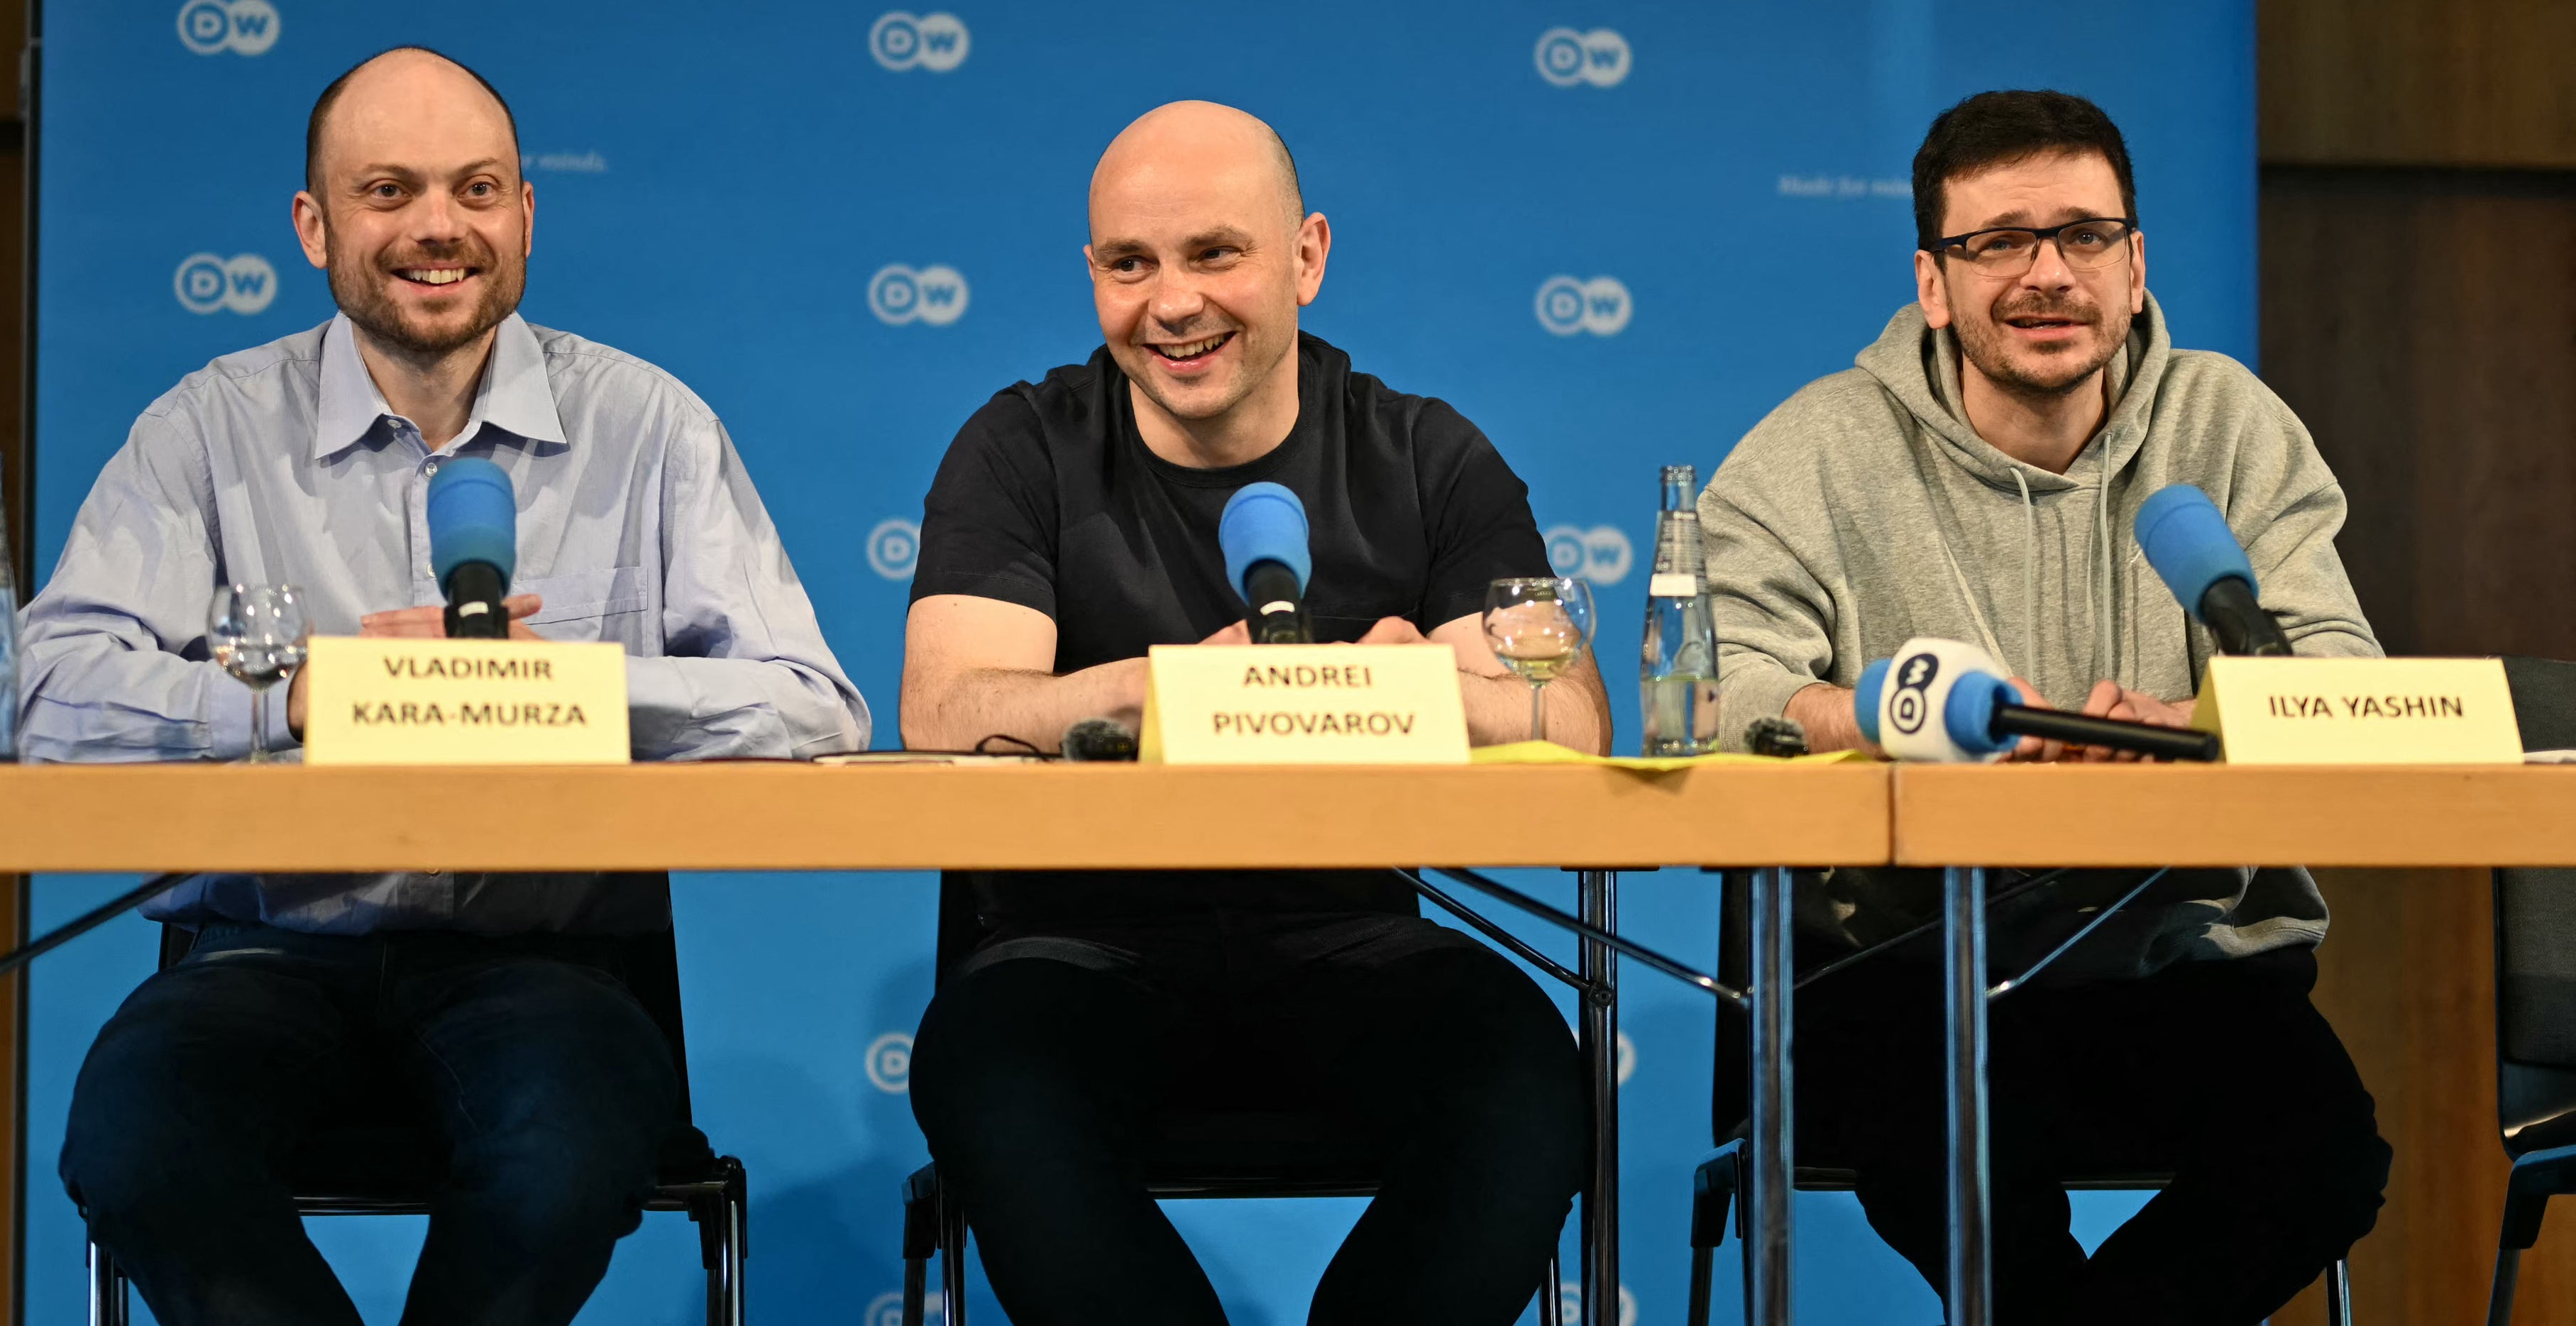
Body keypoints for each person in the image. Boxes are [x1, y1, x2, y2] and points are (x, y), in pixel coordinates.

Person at [20, 47, 869, 1326]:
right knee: (140, 1146)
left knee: (564, 1159)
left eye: (475, 189)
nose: (437, 227)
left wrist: (571, 698)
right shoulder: (205, 430)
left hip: (549, 957)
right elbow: (43, 692)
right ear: (314, 226)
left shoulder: (650, 426)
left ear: (526, 215)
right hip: (264, 948)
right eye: (388, 190)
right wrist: (309, 697)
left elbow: (813, 703)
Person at [898, 100, 1604, 1326]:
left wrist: (1426, 689)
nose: (1171, 303)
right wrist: (1163, 690)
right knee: (991, 1077)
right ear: (1093, 275)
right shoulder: (1022, 444)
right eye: (1130, 264)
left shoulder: (1424, 455)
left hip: (1348, 947)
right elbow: (948, 707)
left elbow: (1568, 719)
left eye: (1213, 253)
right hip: (1072, 955)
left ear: (1306, 258)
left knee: (1528, 1082)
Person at [1702, 89, 2390, 1322]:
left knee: (2325, 1158)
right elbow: (1713, 691)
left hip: (2182, 957)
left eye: (2082, 236)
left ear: (2134, 267)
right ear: (1931, 281)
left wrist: (2177, 730)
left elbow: (2339, 678)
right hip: (1906, 966)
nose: (2045, 274)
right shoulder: (1814, 449)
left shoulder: (2226, 424)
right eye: (1996, 243)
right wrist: (1895, 718)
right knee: (1950, 1157)